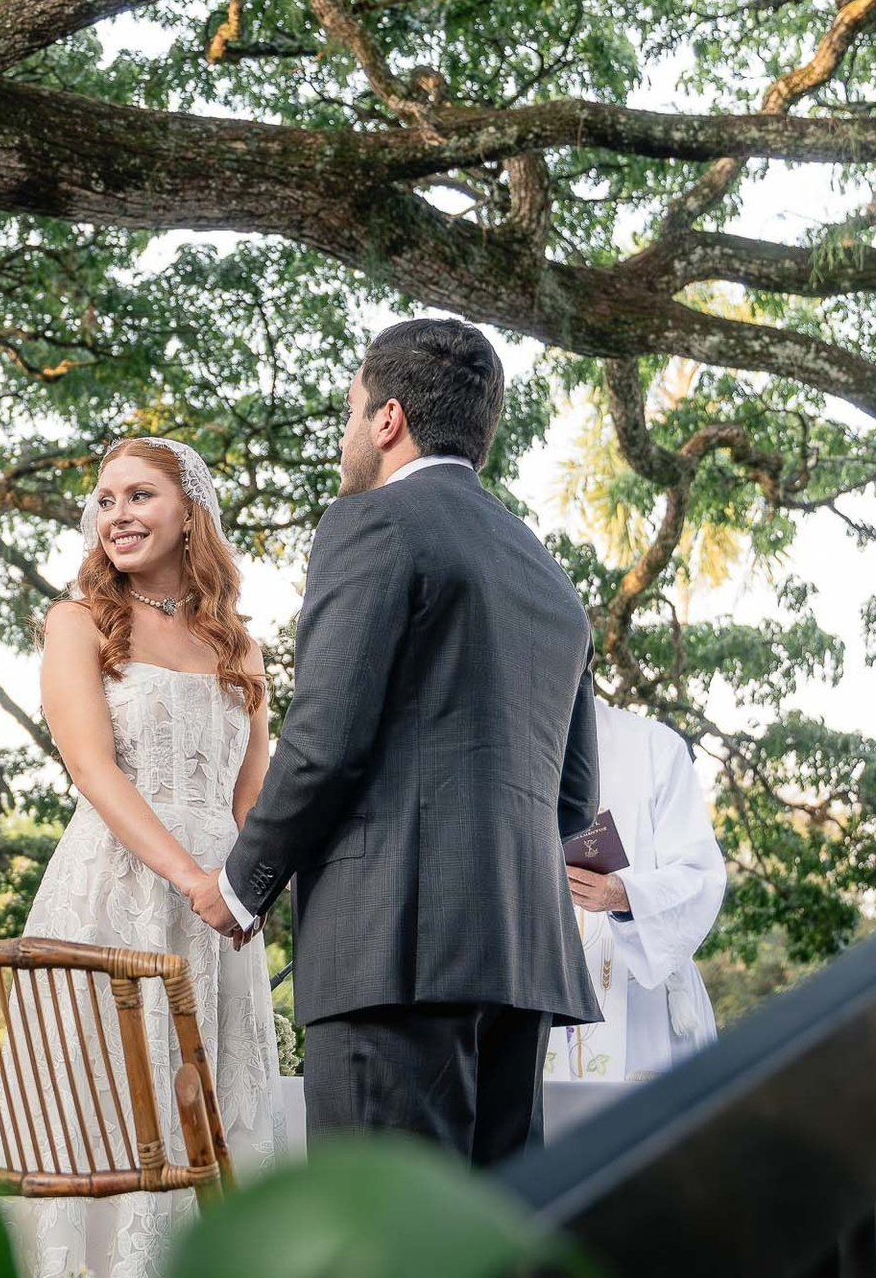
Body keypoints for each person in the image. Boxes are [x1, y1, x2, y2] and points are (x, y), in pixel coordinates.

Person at [197, 317, 602, 1168]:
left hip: (391, 950)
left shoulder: (373, 522)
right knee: (489, 1231)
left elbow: (325, 741)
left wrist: (241, 886)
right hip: (522, 960)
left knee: (379, 1232)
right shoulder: (550, 577)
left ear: (388, 419)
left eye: (351, 412)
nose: (348, 434)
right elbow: (573, 802)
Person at [10, 436, 285, 1278]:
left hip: (218, 910)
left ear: (189, 512)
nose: (117, 515)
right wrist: (189, 875)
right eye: (105, 500)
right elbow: (92, 769)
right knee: (109, 1099)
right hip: (116, 890)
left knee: (209, 1097)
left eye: (139, 496)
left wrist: (250, 888)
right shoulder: (79, 622)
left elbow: (253, 793)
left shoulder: (240, 646)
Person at [548, 699, 727, 1084]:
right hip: (532, 1011)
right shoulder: (497, 751)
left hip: (639, 1012)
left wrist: (623, 896)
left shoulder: (653, 746)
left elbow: (700, 875)